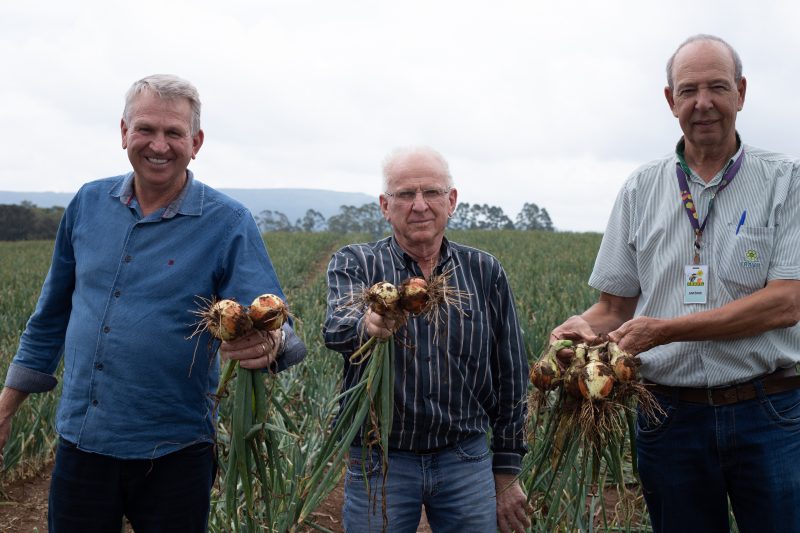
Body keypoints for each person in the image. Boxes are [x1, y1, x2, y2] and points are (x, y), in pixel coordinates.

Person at [0, 74, 306, 532]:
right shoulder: (87, 203)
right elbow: (50, 316)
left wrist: (273, 343)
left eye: (173, 133)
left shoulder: (228, 222)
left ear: (196, 142)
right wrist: (7, 406)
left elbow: (270, 313)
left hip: (176, 450)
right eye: (145, 129)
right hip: (84, 442)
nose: (158, 145)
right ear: (123, 132)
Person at [551, 35, 800, 533]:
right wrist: (581, 325)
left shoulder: (785, 181)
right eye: (688, 91)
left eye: (717, 87)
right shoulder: (641, 189)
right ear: (670, 101)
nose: (702, 103)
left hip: (768, 413)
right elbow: (614, 306)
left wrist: (665, 331)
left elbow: (786, 303)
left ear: (741, 93)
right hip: (667, 416)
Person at [323, 146, 531, 533]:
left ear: (451, 201)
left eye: (432, 192)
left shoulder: (484, 271)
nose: (419, 205)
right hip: (380, 460)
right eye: (405, 195)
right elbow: (337, 327)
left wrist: (506, 471)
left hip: (465, 458)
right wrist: (369, 324)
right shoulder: (356, 263)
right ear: (385, 206)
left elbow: (512, 374)